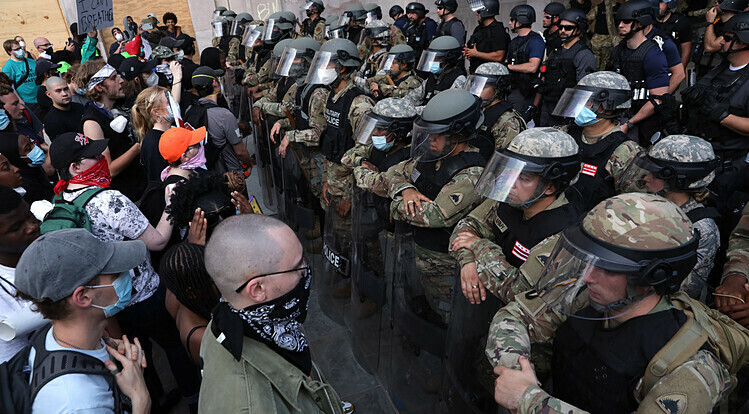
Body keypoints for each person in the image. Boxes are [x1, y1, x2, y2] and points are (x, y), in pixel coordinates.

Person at [488, 193, 732, 413]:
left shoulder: (691, 367)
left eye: (607, 268)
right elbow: (514, 316)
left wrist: (530, 401)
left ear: (652, 277)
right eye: (588, 260)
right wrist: (517, 372)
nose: (587, 276)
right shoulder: (588, 296)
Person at [49, 131, 202, 411]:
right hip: (144, 293)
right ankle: (194, 399)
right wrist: (172, 205)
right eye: (93, 156)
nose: (101, 159)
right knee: (174, 344)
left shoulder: (62, 199)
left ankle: (154, 402)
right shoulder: (109, 199)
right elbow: (158, 241)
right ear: (75, 167)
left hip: (108, 301)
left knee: (138, 355)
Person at [200, 214, 345, 413]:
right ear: (258, 289)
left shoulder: (233, 321)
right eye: (297, 266)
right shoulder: (252, 406)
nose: (305, 270)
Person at [14, 229, 152, 414]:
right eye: (115, 274)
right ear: (83, 297)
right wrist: (141, 400)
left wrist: (104, 347)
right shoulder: (79, 403)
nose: (126, 275)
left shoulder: (60, 337)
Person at [384, 89, 486, 323]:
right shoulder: (433, 156)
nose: (430, 138)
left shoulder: (472, 173)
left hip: (446, 266)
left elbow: (435, 216)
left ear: (458, 134)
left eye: (438, 134)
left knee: (448, 318)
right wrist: (405, 190)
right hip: (419, 252)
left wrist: (395, 206)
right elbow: (394, 173)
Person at [450, 127, 582, 303]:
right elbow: (466, 227)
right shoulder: (512, 200)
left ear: (550, 186)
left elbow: (521, 292)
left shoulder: (566, 234)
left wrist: (479, 247)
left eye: (523, 178)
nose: (510, 183)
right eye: (510, 172)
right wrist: (467, 261)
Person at [619, 134, 720, 302]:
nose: (646, 178)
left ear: (678, 180)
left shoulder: (700, 229)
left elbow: (684, 290)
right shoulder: (647, 203)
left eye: (655, 174)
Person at [551, 71, 642, 214]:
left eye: (586, 101)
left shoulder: (625, 152)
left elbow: (633, 207)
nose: (578, 106)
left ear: (609, 106)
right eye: (578, 99)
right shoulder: (564, 134)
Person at [75, 61, 146, 202]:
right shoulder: (92, 122)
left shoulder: (123, 103)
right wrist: (139, 146)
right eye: (113, 78)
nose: (121, 80)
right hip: (128, 196)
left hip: (143, 183)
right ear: (99, 87)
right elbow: (108, 169)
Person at [606, 0, 670, 143]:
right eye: (619, 21)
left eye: (626, 21)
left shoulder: (653, 55)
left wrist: (629, 123)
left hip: (642, 124)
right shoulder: (618, 51)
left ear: (640, 23)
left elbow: (658, 99)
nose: (620, 25)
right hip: (617, 117)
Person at [0, 186, 44, 363]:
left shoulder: (54, 250)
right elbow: (13, 365)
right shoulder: (3, 293)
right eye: (16, 227)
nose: (32, 227)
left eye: (29, 215)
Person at [160, 242, 219, 365]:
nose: (220, 282)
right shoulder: (200, 336)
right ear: (191, 292)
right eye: (213, 282)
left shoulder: (176, 293)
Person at [187, 66, 251, 177]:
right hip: (228, 176)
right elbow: (240, 152)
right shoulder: (223, 115)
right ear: (214, 84)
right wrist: (249, 164)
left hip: (203, 175)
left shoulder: (190, 110)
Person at [538, 9, 596, 127]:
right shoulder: (555, 51)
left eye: (568, 28)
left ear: (579, 29)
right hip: (548, 105)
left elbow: (584, 88)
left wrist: (572, 111)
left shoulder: (583, 54)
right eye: (561, 27)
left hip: (567, 110)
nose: (563, 30)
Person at [464, 62, 526, 160]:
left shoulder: (507, 121)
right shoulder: (476, 110)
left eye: (483, 86)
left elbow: (503, 160)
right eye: (475, 85)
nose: (476, 90)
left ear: (498, 88)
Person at [404, 36, 466, 111]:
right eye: (430, 58)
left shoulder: (459, 80)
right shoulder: (432, 78)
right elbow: (412, 98)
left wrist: (413, 111)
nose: (431, 62)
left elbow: (443, 108)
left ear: (449, 60)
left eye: (436, 59)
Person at [506, 5, 545, 120]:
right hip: (513, 88)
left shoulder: (536, 41)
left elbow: (533, 67)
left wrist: (510, 67)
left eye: (512, 20)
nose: (509, 23)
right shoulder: (513, 42)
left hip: (527, 92)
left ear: (520, 21)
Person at [130, 86, 173, 182]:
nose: (173, 104)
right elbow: (157, 180)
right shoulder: (153, 143)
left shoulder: (171, 131)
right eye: (168, 102)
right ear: (156, 112)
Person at [464, 0, 510, 74]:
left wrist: (476, 54)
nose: (476, 14)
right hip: (476, 72)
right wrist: (468, 52)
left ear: (485, 11)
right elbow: (473, 50)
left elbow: (499, 56)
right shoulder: (478, 29)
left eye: (478, 11)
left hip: (490, 75)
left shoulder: (497, 30)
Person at [2, 39, 40, 118]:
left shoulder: (31, 61)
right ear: (9, 52)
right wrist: (19, 100)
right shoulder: (8, 67)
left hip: (40, 97)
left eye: (20, 48)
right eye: (16, 49)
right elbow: (10, 87)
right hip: (26, 101)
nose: (20, 50)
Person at [43, 76, 85, 141]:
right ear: (48, 94)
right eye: (58, 91)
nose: (64, 94)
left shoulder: (80, 107)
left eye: (66, 89)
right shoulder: (52, 121)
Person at [655, 0, 693, 67]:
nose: (657, 5)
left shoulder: (681, 22)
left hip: (670, 65)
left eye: (660, 2)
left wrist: (679, 71)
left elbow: (685, 53)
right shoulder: (648, 22)